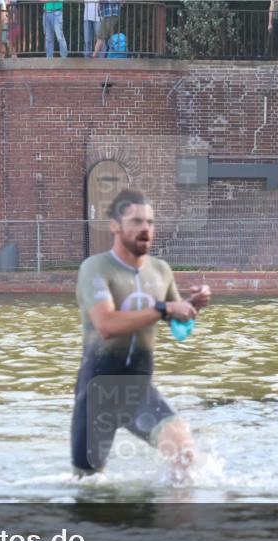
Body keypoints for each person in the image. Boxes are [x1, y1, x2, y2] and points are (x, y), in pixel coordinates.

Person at [71, 189, 212, 480]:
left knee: (185, 455)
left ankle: (171, 522)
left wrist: (192, 306)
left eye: (149, 222)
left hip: (138, 392)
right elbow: (106, 325)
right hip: (98, 394)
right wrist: (163, 308)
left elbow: (178, 322)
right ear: (114, 226)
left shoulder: (161, 271)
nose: (145, 229)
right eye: (135, 221)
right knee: (89, 485)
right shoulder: (94, 268)